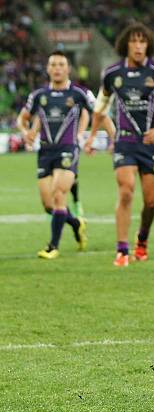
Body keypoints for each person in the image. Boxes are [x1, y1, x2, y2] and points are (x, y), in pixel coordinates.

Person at [84, 22, 154, 267]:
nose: (138, 46)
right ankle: (122, 250)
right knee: (125, 191)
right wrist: (92, 137)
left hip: (151, 143)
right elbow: (100, 108)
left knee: (150, 202)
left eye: (143, 41)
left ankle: (142, 240)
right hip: (124, 141)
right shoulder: (112, 73)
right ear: (126, 44)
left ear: (148, 45)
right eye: (134, 41)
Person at [17, 50, 91, 259]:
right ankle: (76, 223)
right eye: (53, 65)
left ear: (68, 69)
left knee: (59, 195)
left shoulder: (78, 94)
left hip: (68, 149)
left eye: (61, 64)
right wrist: (26, 133)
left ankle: (53, 247)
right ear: (48, 69)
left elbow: (92, 113)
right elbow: (21, 119)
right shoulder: (39, 96)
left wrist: (83, 135)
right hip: (45, 151)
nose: (57, 68)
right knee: (49, 205)